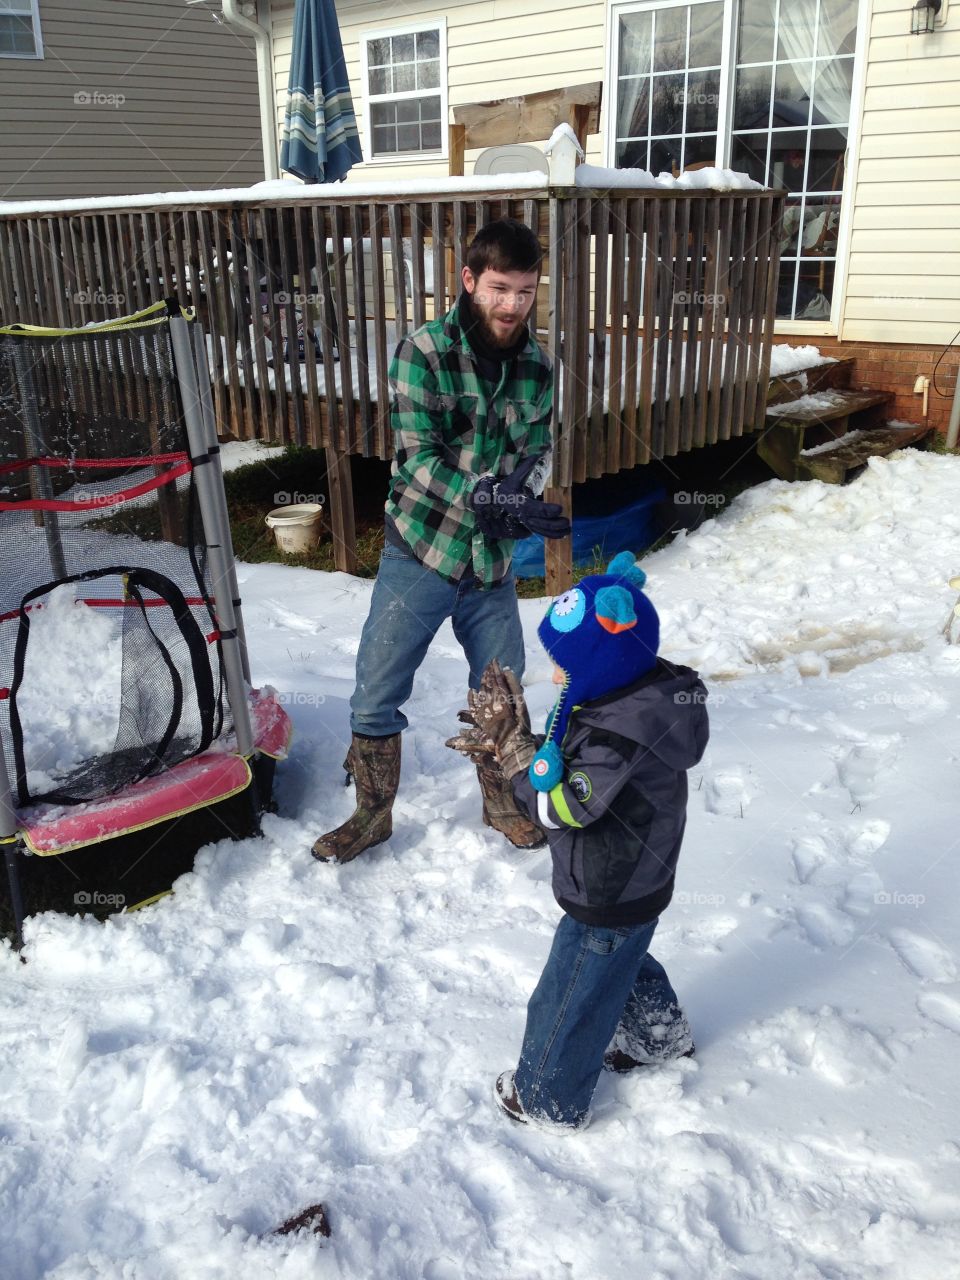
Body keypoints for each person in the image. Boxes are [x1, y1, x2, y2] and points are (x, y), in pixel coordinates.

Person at [313, 218, 571, 865]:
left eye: (525, 290)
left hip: (490, 565)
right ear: (468, 281)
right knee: (376, 688)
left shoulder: (539, 370)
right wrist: (484, 492)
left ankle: (504, 803)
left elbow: (539, 449)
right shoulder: (422, 353)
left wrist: (522, 492)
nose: (512, 304)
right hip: (421, 550)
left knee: (503, 694)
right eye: (499, 288)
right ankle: (372, 816)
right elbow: (418, 455)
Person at [448, 551, 709, 1131]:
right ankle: (658, 1040)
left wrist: (517, 761)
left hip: (609, 880)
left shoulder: (616, 736)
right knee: (623, 955)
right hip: (643, 875)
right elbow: (579, 762)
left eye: (563, 664)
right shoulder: (641, 699)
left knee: (571, 989)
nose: (555, 675)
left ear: (604, 663)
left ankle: (547, 1094)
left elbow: (561, 808)